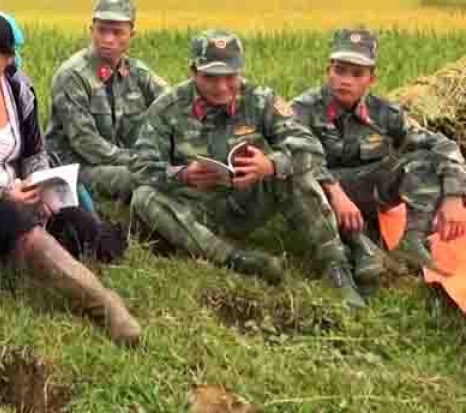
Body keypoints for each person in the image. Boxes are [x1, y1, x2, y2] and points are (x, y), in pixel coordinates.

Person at [0, 12, 140, 345]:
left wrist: (39, 184)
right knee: (15, 217)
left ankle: (29, 253)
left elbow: (33, 152)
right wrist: (2, 196)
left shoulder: (19, 89)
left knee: (84, 227)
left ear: (7, 58)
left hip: (18, 198)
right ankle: (105, 305)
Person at [129, 29, 364, 307]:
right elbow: (139, 165)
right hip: (195, 211)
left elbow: (310, 148)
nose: (221, 87)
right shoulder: (167, 107)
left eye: (230, 77)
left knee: (293, 170)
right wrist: (182, 174)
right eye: (211, 78)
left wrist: (270, 165)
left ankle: (336, 265)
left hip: (249, 201)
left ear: (240, 71)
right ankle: (236, 260)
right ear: (193, 71)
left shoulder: (260, 99)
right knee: (143, 197)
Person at [291, 28, 466, 277]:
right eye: (339, 70)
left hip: (366, 193)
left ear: (371, 79)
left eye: (357, 73)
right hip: (321, 196)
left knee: (423, 162)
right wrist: (336, 193)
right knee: (300, 177)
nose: (346, 80)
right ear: (328, 71)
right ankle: (355, 249)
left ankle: (411, 243)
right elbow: (295, 153)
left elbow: (442, 145)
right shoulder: (303, 108)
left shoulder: (384, 112)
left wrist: (454, 197)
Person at [45, 0, 169, 201]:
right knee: (149, 177)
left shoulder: (137, 72)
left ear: (132, 35)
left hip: (120, 162)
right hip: (77, 168)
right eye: (102, 30)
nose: (108, 39)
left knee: (178, 170)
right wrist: (138, 160)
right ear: (91, 30)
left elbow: (173, 104)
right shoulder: (73, 76)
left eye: (117, 32)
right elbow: (86, 143)